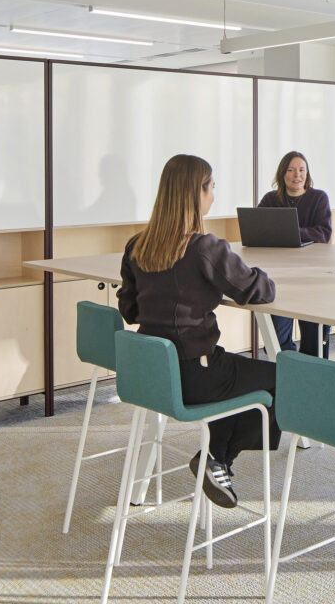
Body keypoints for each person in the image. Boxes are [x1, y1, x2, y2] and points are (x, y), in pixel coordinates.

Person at [117, 154, 280, 509]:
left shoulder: (136, 247)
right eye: (212, 187)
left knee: (239, 373)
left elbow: (129, 310)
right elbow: (257, 290)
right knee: (281, 378)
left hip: (155, 375)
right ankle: (218, 456)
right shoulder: (206, 249)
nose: (213, 194)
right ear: (198, 193)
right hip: (197, 375)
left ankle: (214, 453)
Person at [257, 151, 332, 357]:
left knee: (314, 341)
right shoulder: (270, 200)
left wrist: (288, 231)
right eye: (290, 170)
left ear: (307, 174)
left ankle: (313, 380)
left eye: (301, 170)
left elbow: (323, 234)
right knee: (277, 342)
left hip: (313, 279)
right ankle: (291, 375)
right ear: (282, 174)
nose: (296, 175)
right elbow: (258, 229)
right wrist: (296, 234)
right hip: (279, 278)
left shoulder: (318, 198)